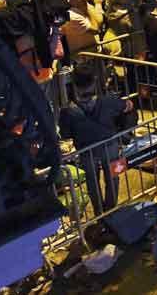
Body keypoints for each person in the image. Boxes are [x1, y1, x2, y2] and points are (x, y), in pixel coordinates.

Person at [57, 72, 136, 215]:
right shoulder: (108, 101)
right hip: (111, 145)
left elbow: (65, 134)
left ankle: (99, 214)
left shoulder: (67, 112)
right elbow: (129, 105)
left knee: (92, 181)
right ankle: (111, 210)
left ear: (75, 86)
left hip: (86, 150)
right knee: (114, 176)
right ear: (94, 82)